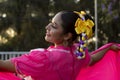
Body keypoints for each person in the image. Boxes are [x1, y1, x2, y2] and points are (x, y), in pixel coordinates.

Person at [0, 10, 120, 80]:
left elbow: (3, 65)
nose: (47, 27)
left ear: (67, 35)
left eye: (54, 26)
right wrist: (108, 47)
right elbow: (93, 59)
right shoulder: (77, 54)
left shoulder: (46, 59)